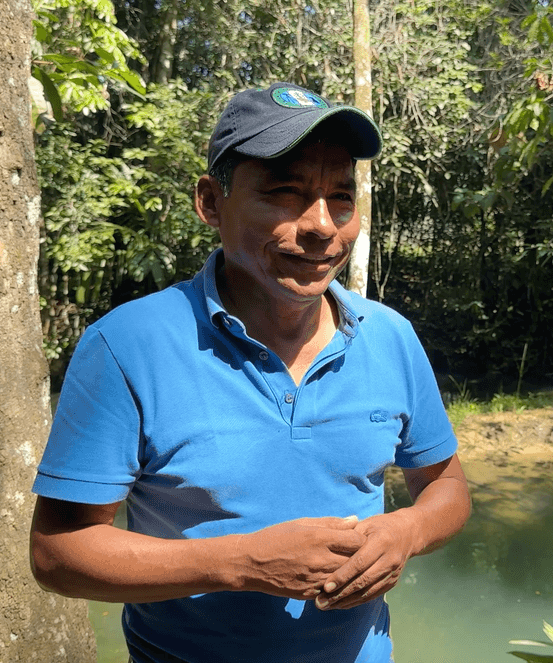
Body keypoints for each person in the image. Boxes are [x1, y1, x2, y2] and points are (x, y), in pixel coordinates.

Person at [29, 82, 471, 663]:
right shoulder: (128, 346)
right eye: (284, 193)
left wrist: (405, 533)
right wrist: (239, 563)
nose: (321, 225)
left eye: (341, 197)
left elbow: (446, 488)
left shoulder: (390, 337)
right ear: (211, 202)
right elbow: (58, 554)